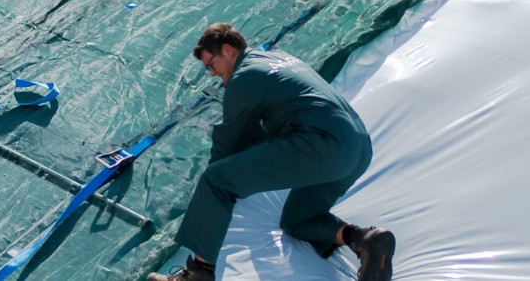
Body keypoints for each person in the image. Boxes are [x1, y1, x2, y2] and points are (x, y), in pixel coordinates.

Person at [148, 23, 395, 281]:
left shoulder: (243, 77)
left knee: (215, 179)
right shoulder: (276, 57)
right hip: (358, 147)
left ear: (228, 50)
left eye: (210, 65)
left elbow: (228, 145)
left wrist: (209, 199)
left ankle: (198, 273)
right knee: (297, 221)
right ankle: (364, 240)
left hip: (323, 146)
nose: (211, 74)